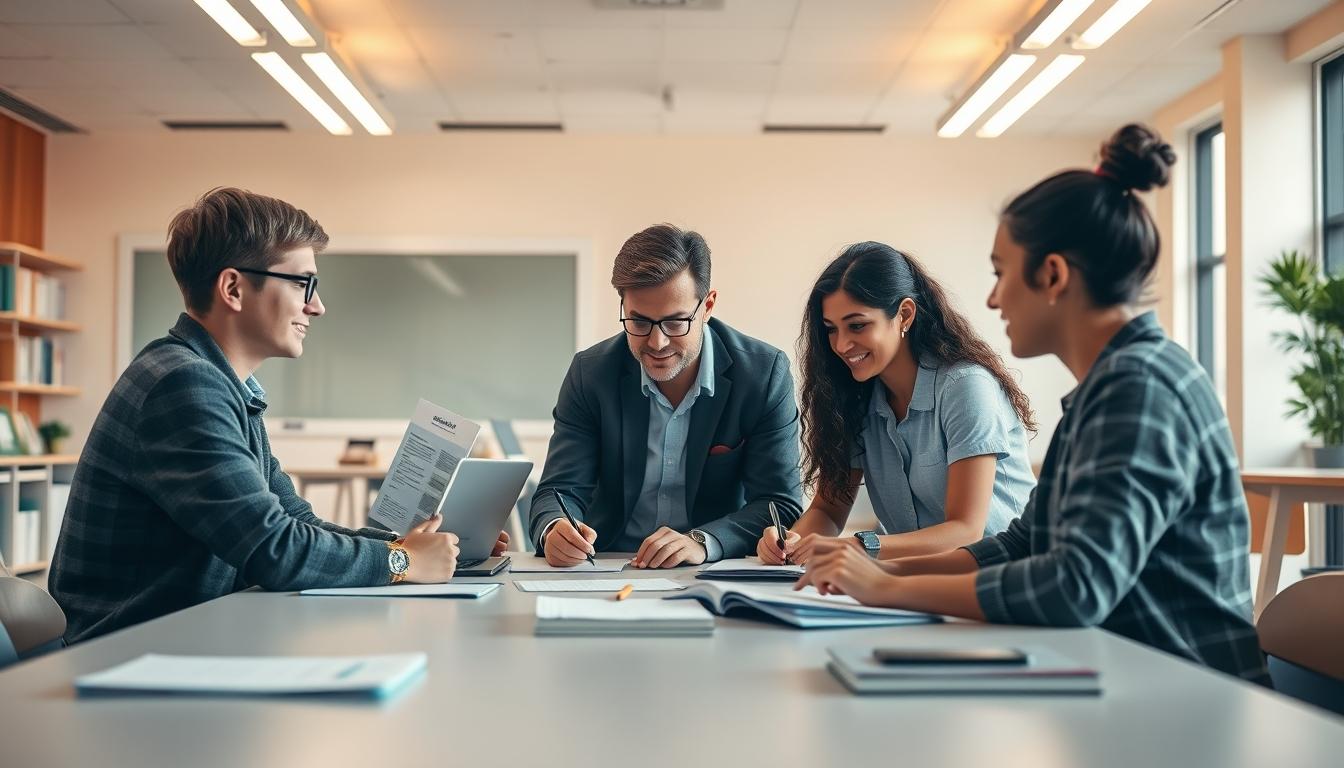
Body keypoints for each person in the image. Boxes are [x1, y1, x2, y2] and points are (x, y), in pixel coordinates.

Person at [796, 124, 1269, 683]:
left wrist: (887, 586)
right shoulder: (1107, 387)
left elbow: (1073, 587)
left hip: (1185, 691)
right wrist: (880, 573)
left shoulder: (1139, 388)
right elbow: (1023, 544)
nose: (994, 297)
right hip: (1123, 673)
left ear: (1052, 275)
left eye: (1001, 273)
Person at [49, 187, 505, 644]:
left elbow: (296, 523)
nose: (317, 306)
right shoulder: (183, 384)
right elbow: (274, 550)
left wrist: (409, 548)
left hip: (189, 638)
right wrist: (403, 561)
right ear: (233, 288)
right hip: (130, 652)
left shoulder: (224, 385)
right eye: (302, 283)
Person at [530, 223, 803, 568]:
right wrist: (555, 529)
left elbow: (780, 503)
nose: (657, 343)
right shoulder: (591, 373)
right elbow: (558, 490)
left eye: (675, 323)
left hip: (712, 568)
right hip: (607, 564)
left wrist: (703, 542)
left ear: (708, 306)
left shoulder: (762, 374)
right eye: (639, 322)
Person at [756, 243, 1035, 565]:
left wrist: (861, 546)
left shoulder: (965, 386)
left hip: (1004, 576)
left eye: (857, 325)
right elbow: (828, 511)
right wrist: (789, 543)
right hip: (914, 579)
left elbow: (965, 531)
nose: (841, 345)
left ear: (904, 315)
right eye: (831, 329)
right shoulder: (853, 399)